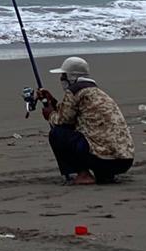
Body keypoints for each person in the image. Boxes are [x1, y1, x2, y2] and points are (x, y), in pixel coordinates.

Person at [37, 56, 134, 185]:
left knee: (57, 133)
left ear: (71, 77)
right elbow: (72, 114)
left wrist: (49, 114)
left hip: (103, 159)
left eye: (63, 76)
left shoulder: (75, 91)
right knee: (87, 133)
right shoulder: (95, 91)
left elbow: (62, 121)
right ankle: (105, 175)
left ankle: (83, 174)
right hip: (124, 160)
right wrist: (53, 102)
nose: (61, 79)